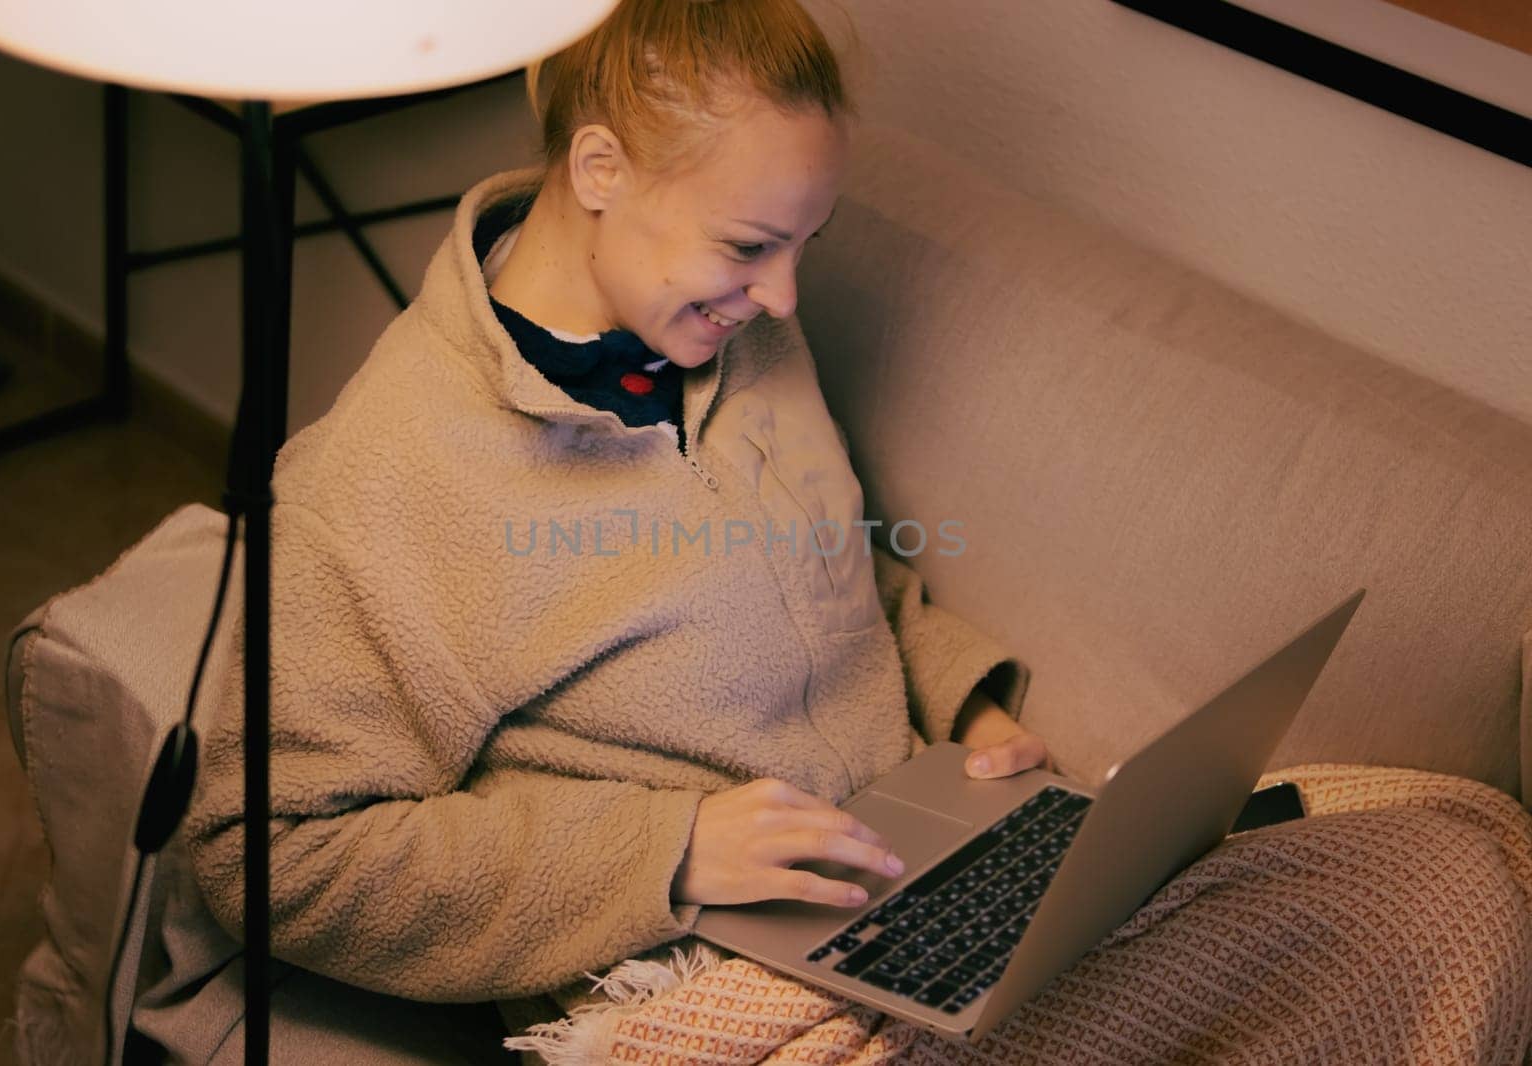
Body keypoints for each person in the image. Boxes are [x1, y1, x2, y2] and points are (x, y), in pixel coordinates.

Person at [184, 0, 1531, 1061]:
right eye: (748, 245)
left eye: (803, 246)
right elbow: (274, 849)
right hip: (693, 987)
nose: (780, 300)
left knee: (1449, 881)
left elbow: (837, 567)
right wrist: (666, 854)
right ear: (598, 166)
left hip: (903, 865)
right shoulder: (392, 481)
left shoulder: (719, 340)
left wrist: (967, 701)